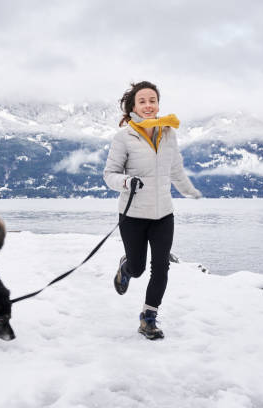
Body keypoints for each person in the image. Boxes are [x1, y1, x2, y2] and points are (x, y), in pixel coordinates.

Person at [103, 81, 202, 340]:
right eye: (143, 101)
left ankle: (148, 317)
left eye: (153, 100)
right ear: (133, 106)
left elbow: (176, 169)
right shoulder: (124, 137)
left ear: (158, 104)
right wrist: (126, 182)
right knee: (138, 269)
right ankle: (126, 268)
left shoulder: (168, 133)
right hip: (133, 215)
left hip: (163, 215)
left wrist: (189, 191)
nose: (148, 106)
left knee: (161, 267)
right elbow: (109, 175)